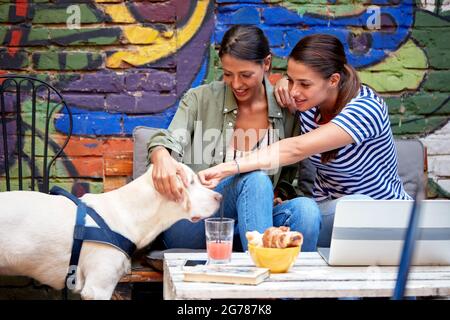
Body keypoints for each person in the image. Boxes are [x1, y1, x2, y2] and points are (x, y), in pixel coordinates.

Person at [198, 34, 412, 248]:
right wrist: (283, 81)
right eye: (291, 81)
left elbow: (296, 148)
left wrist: (228, 168)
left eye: (304, 84)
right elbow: (267, 84)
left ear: (334, 80)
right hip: (327, 214)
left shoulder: (366, 108)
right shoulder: (309, 104)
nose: (294, 91)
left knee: (360, 205)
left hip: (383, 218)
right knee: (303, 210)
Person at [147, 25, 321, 251]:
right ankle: (261, 276)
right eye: (228, 74)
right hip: (194, 222)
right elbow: (169, 140)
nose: (236, 84)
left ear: (266, 64)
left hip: (253, 224)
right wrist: (160, 155)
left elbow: (289, 178)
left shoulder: (287, 111)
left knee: (306, 211)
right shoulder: (201, 99)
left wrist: (280, 195)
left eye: (245, 75)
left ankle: (289, 284)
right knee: (256, 179)